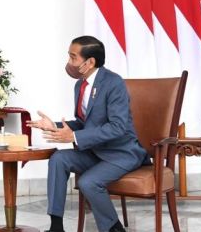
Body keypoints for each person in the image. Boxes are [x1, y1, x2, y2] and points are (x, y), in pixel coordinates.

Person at [27, 36, 149, 232]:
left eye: (73, 57)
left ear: (90, 62)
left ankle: (114, 228)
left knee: (88, 182)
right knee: (58, 159)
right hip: (94, 151)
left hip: (121, 153)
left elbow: (118, 127)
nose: (69, 63)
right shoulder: (80, 85)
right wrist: (54, 125)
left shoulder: (113, 83)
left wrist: (74, 138)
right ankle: (56, 227)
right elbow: (84, 122)